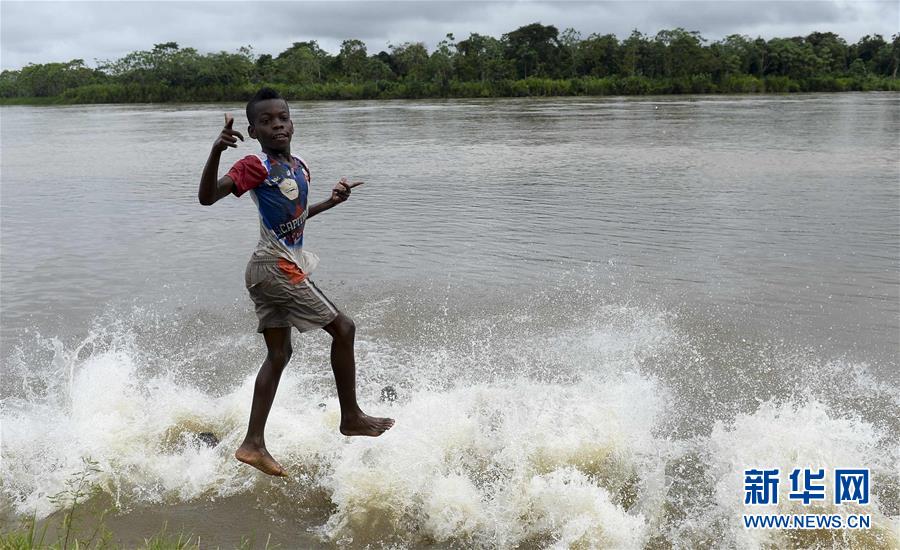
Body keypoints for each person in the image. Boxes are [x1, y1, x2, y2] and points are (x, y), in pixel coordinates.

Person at [198, 87, 394, 477]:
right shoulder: (255, 166)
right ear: (252, 131)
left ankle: (253, 444)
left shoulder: (299, 166)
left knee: (279, 354)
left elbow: (293, 219)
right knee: (344, 328)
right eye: (266, 122)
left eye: (282, 118)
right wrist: (217, 150)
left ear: (292, 123)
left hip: (270, 267)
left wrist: (329, 204)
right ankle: (351, 416)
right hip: (273, 267)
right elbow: (206, 198)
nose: (277, 126)